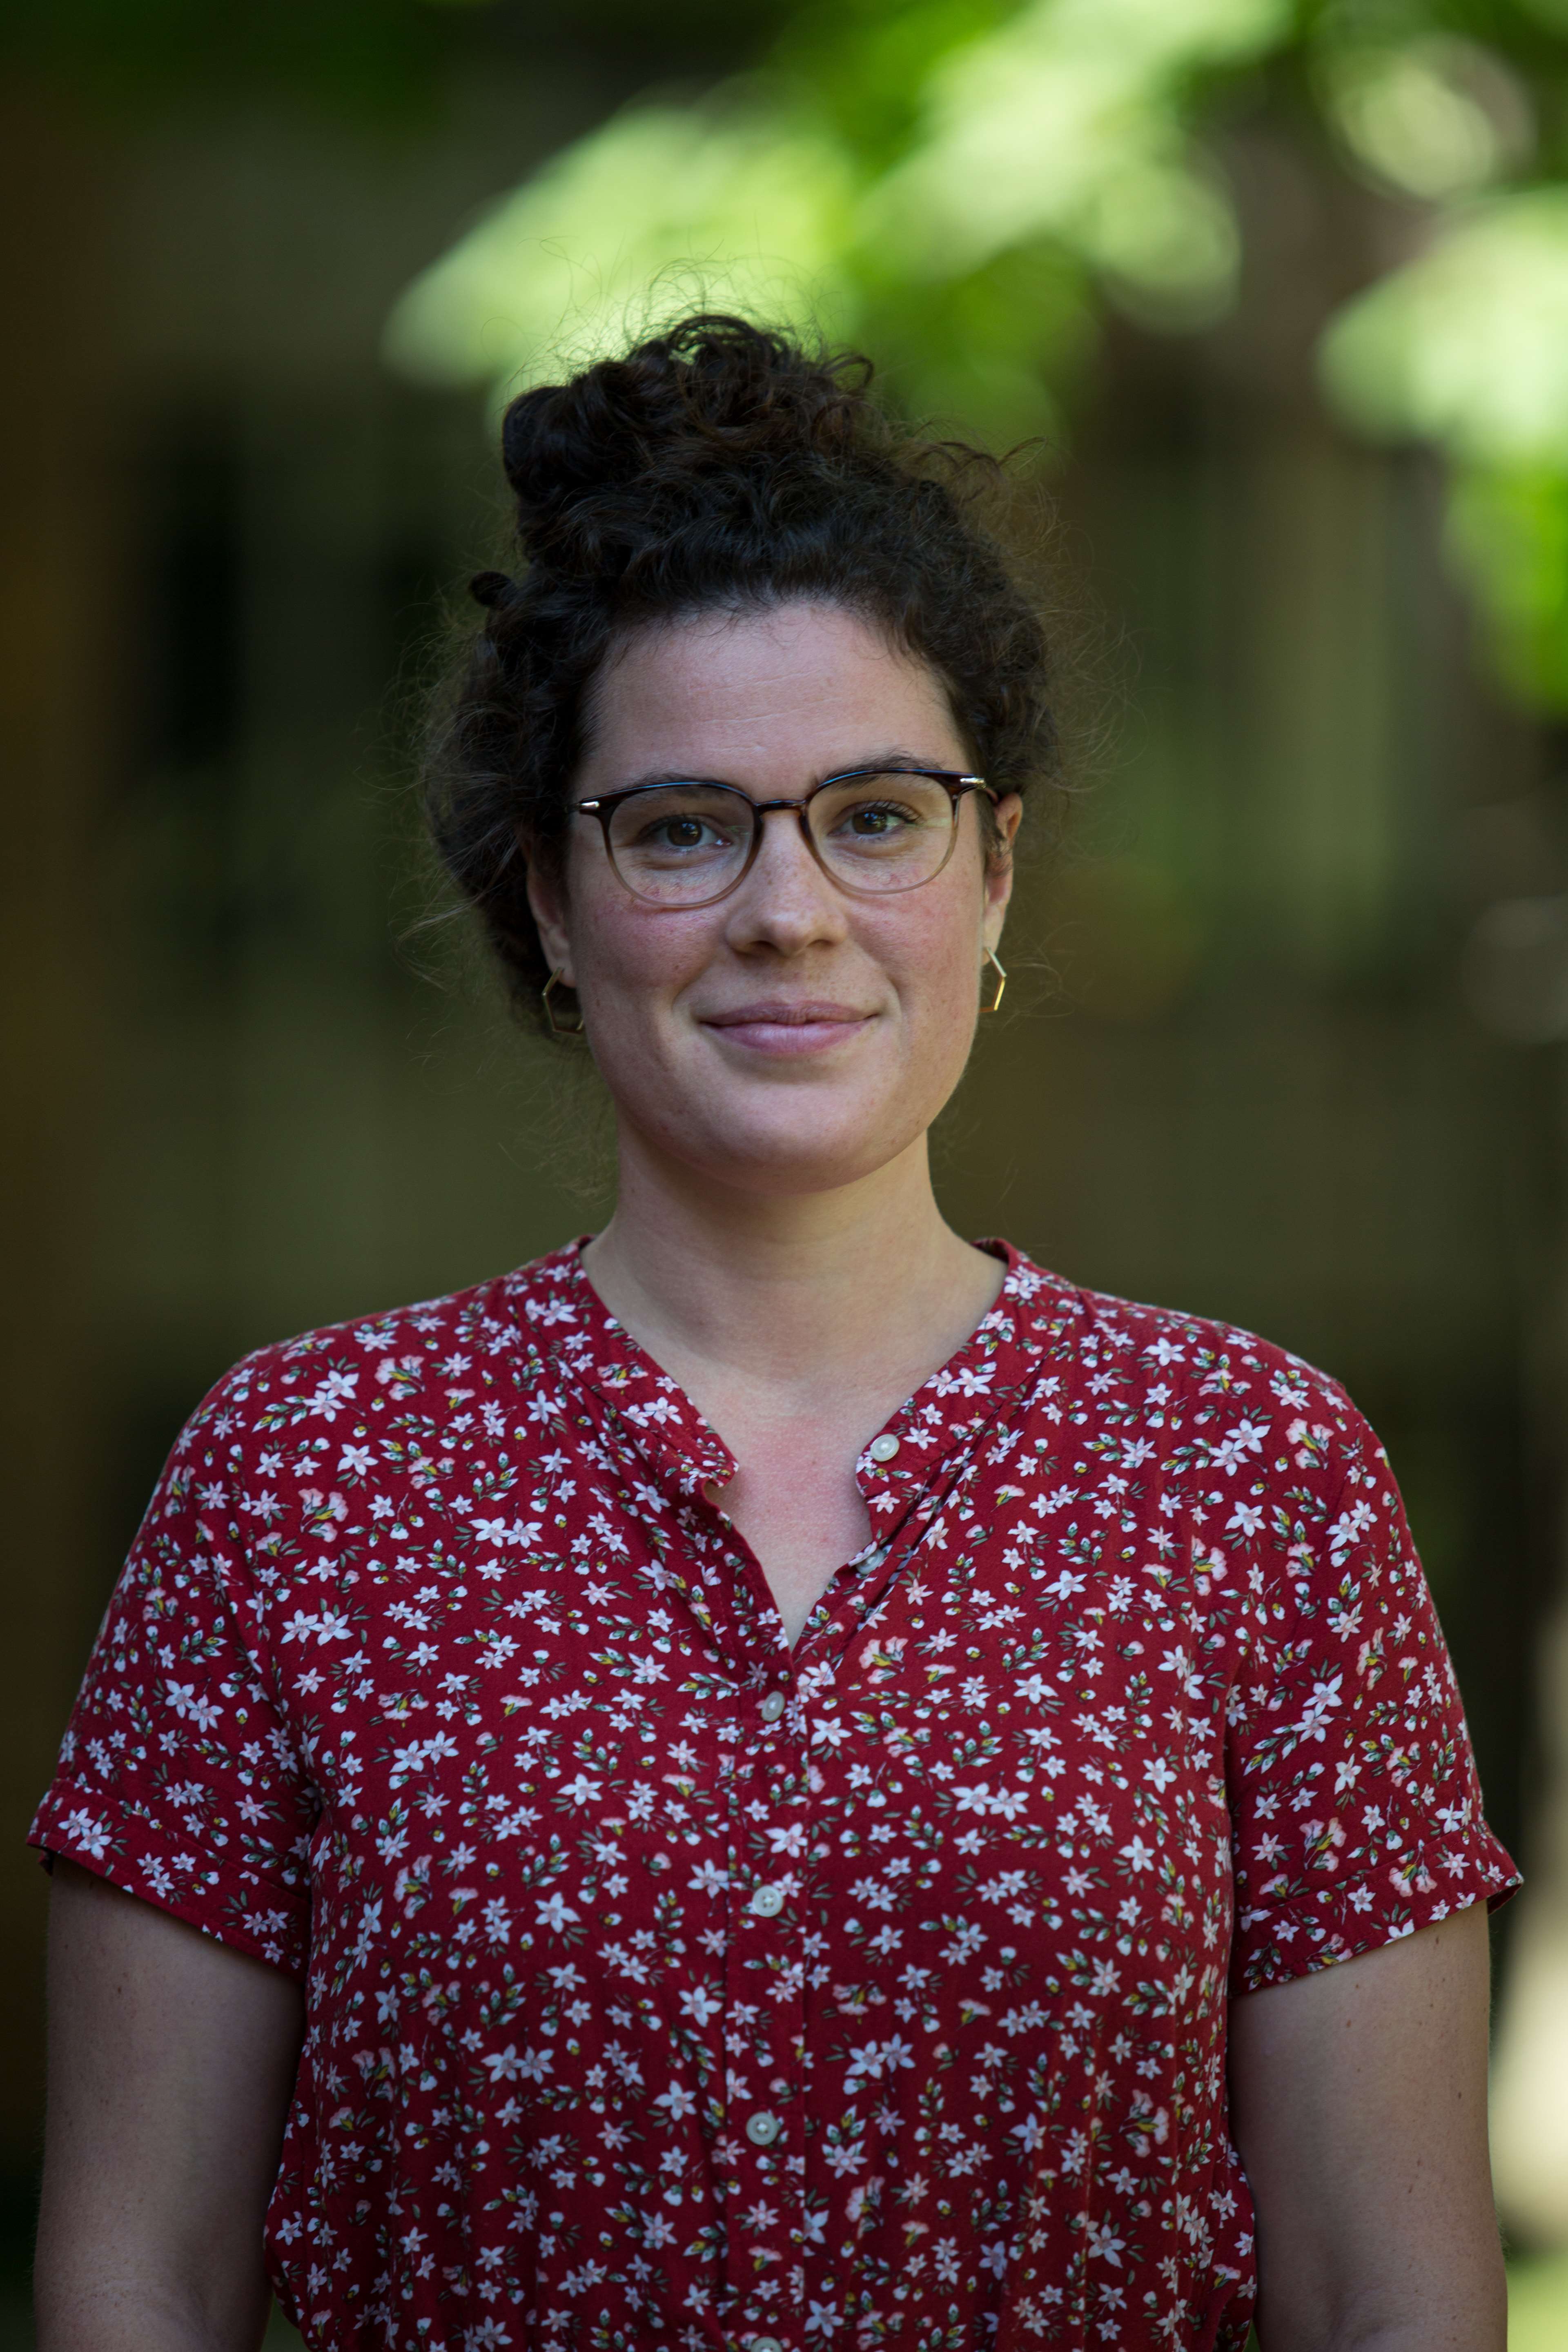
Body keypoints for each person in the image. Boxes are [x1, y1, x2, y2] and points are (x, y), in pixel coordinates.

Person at [32, 314, 1517, 2352]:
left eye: (879, 815)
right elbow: (133, 2282)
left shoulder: (1251, 1470)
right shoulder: (300, 1473)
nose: (788, 910)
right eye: (679, 826)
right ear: (550, 905)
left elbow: (1396, 2297)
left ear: (996, 872)